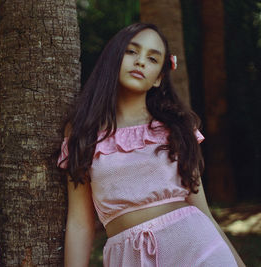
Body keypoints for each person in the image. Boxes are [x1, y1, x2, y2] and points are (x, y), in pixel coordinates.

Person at [57, 23, 245, 267]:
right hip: (128, 258)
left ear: (159, 78)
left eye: (152, 58)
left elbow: (203, 210)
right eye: (132, 51)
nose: (141, 62)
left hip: (197, 249)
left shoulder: (177, 128)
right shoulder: (82, 131)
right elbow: (79, 223)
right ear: (113, 58)